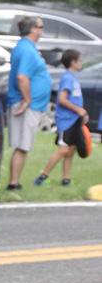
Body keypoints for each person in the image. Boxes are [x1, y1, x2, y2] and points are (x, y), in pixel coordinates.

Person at [6, 16, 51, 190]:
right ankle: (13, 183)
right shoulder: (26, 50)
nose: (42, 30)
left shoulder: (25, 47)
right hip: (25, 106)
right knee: (22, 146)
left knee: (23, 146)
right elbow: (22, 77)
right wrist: (27, 100)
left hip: (29, 105)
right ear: (33, 29)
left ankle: (14, 181)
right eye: (41, 26)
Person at [34, 49, 89, 187]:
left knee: (70, 151)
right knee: (63, 150)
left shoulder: (73, 78)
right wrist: (78, 110)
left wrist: (81, 114)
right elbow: (62, 99)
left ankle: (66, 180)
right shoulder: (67, 78)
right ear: (73, 62)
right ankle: (42, 177)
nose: (81, 63)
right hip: (66, 121)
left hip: (74, 120)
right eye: (80, 60)